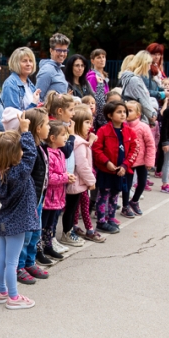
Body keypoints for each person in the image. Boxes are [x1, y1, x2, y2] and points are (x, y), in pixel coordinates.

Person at [0, 119, 38, 309]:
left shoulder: (1, 172)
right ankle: (14, 298)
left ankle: (2, 291)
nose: (23, 151)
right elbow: (31, 154)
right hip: (17, 222)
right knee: (12, 262)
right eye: (20, 148)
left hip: (5, 220)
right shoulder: (18, 173)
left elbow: (27, 155)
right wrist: (25, 132)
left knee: (3, 258)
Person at [16, 108, 52, 280]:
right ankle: (19, 265)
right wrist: (24, 131)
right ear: (37, 128)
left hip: (38, 197)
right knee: (26, 234)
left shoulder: (40, 147)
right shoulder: (28, 148)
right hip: (28, 200)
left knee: (35, 232)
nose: (50, 127)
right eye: (47, 124)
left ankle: (30, 262)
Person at [92, 101, 137, 234]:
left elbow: (134, 150)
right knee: (103, 195)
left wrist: (125, 165)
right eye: (119, 112)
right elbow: (97, 149)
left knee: (115, 195)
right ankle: (101, 221)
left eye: (124, 112)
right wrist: (107, 162)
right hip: (107, 171)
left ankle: (111, 218)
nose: (123, 114)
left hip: (121, 171)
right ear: (110, 115)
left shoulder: (130, 131)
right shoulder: (103, 130)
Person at [64, 108, 104, 243]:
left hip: (76, 182)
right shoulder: (78, 142)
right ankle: (68, 233)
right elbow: (82, 165)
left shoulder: (77, 140)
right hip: (76, 183)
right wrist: (91, 181)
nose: (90, 126)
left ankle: (71, 230)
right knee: (71, 210)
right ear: (78, 123)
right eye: (87, 122)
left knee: (73, 209)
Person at [41, 122, 76, 259]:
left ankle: (48, 246)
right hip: (49, 197)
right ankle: (40, 248)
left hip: (58, 197)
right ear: (53, 138)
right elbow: (49, 176)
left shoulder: (60, 153)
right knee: (43, 224)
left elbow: (60, 172)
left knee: (51, 224)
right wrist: (65, 177)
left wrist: (66, 176)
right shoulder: (48, 154)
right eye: (63, 135)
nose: (66, 138)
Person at [124, 100, 154, 216]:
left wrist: (149, 161)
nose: (127, 113)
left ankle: (134, 201)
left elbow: (150, 144)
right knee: (127, 184)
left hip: (141, 161)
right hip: (128, 162)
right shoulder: (123, 126)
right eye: (126, 110)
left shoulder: (143, 127)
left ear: (138, 114)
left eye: (130, 111)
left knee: (142, 183)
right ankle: (125, 205)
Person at [119, 51, 158, 124]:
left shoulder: (130, 77)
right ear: (143, 64)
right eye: (149, 63)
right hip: (138, 119)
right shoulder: (135, 80)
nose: (150, 66)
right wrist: (153, 114)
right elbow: (143, 100)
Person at [35, 33, 71, 97]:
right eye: (59, 50)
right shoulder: (47, 70)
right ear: (51, 50)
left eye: (65, 51)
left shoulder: (58, 69)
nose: (62, 54)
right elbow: (38, 98)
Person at [87, 49, 110, 129]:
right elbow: (93, 97)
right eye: (98, 57)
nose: (102, 59)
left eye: (103, 57)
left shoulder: (104, 76)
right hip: (98, 114)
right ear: (92, 61)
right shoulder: (92, 77)